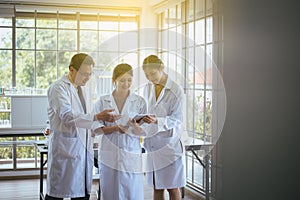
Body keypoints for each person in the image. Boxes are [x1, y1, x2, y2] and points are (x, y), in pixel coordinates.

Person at [46, 53, 120, 200]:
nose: (87, 78)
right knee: (57, 195)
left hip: (83, 149)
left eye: (90, 74)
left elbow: (87, 117)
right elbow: (67, 116)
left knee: (82, 194)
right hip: (66, 150)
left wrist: (96, 128)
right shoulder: (58, 88)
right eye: (84, 74)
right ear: (71, 70)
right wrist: (97, 116)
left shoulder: (83, 89)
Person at [92, 63, 146, 200]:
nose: (126, 84)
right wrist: (115, 128)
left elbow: (145, 129)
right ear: (114, 80)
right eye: (122, 80)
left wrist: (137, 128)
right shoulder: (102, 101)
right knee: (111, 192)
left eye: (129, 80)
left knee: (132, 192)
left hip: (131, 153)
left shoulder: (139, 101)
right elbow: (95, 128)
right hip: (109, 154)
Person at [141, 55, 186, 200]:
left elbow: (177, 119)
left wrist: (157, 121)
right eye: (147, 75)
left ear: (161, 67)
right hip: (153, 145)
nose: (150, 78)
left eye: (152, 74)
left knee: (173, 187)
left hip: (169, 146)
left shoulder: (176, 90)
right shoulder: (148, 88)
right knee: (156, 185)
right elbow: (145, 109)